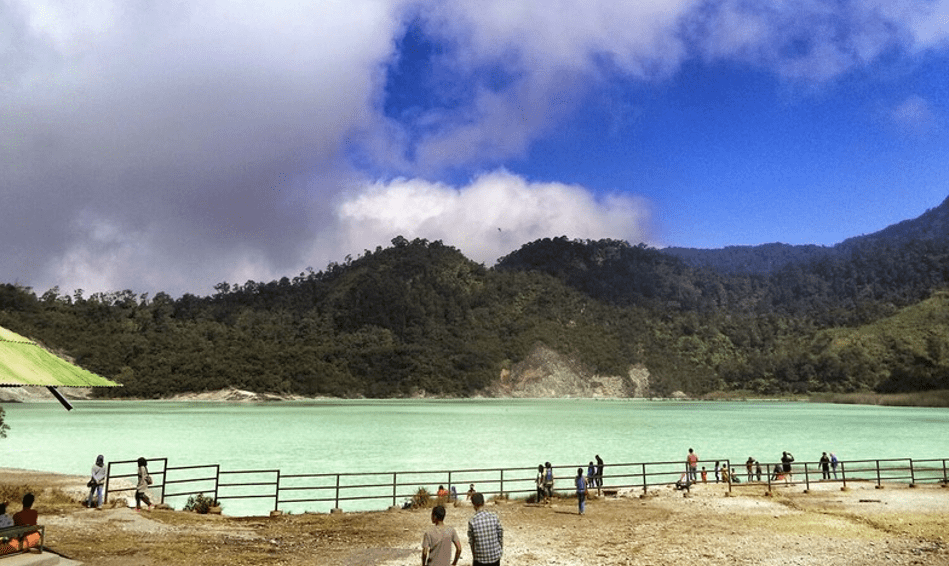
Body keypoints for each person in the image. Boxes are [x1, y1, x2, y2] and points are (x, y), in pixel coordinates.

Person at [467, 492, 503, 566]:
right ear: (483, 502)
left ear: (473, 505)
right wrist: (499, 550)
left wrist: (475, 556)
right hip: (495, 557)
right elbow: (500, 536)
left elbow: (472, 542)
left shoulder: (472, 521)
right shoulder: (494, 517)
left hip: (480, 559)